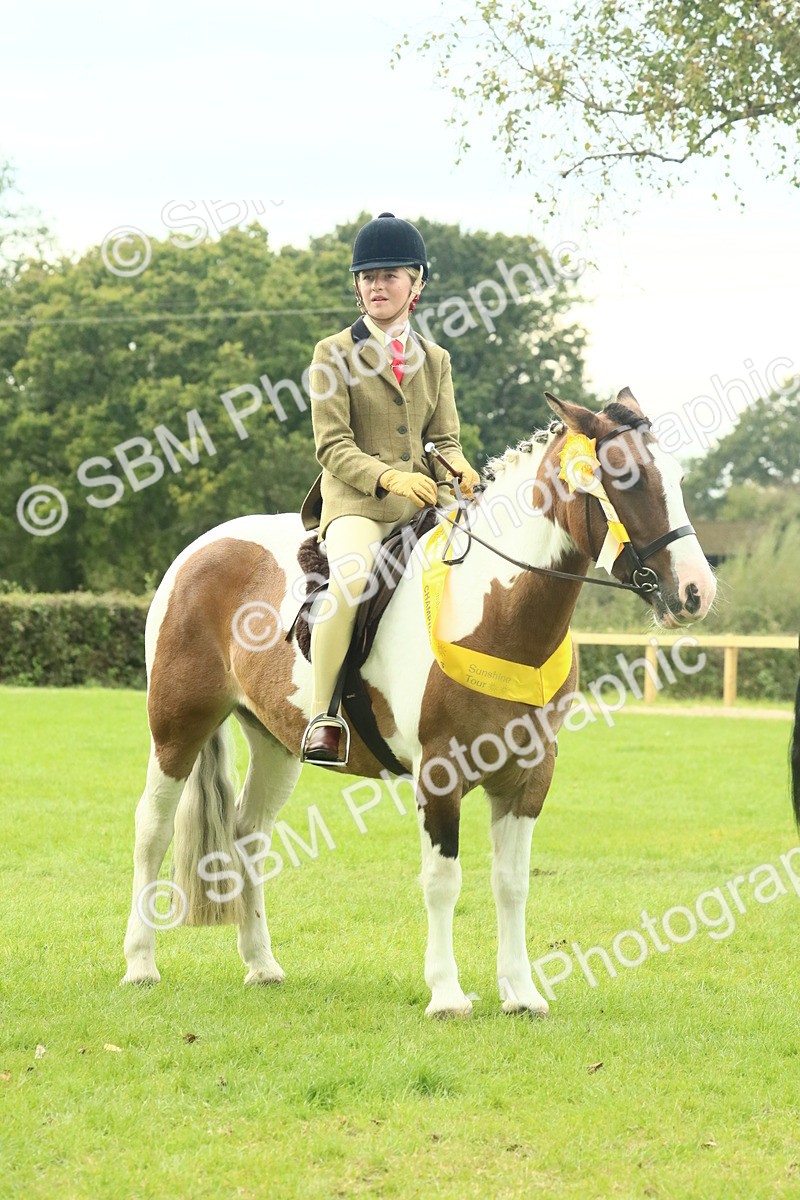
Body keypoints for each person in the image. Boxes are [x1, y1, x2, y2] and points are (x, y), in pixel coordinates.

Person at [298, 212, 480, 764]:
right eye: (368, 277)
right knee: (349, 583)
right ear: (357, 286)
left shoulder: (436, 359)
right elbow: (331, 446)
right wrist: (387, 476)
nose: (377, 286)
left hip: (423, 502)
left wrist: (459, 468)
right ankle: (323, 715)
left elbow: (443, 438)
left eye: (390, 276)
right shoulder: (332, 353)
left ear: (416, 284)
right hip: (357, 505)